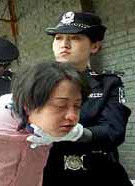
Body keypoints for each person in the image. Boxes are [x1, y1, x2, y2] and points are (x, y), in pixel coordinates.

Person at [43, 11, 132, 186]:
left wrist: (78, 133)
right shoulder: (37, 84)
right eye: (59, 38)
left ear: (95, 46)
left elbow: (113, 131)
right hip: (51, 173)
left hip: (99, 172)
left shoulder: (108, 84)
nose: (64, 45)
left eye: (75, 38)